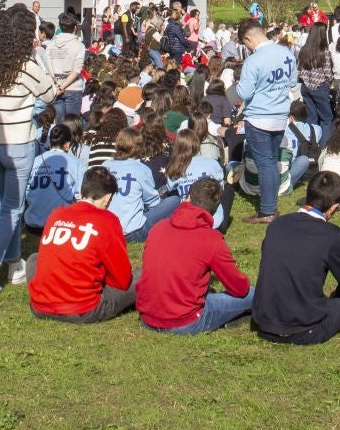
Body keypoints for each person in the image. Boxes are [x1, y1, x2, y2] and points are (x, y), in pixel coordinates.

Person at [250, 170, 340, 344]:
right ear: (334, 207)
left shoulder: (277, 224)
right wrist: (337, 295)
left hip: (264, 322)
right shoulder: (332, 235)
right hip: (304, 328)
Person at [0, 5, 53, 295]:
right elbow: (50, 93)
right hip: (19, 144)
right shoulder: (28, 66)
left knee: (11, 208)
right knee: (12, 209)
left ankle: (14, 264)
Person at [136, 177, 253, 334]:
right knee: (255, 293)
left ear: (188, 198)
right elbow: (239, 288)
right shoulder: (211, 239)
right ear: (215, 209)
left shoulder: (158, 228)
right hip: (184, 321)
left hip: (147, 317)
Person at [28, 166, 135, 324]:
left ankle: (48, 292)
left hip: (41, 305)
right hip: (82, 309)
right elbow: (123, 279)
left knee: (34, 259)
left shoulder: (56, 214)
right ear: (107, 198)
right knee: (140, 277)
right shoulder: (107, 220)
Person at [234, 17, 297, 224]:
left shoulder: (254, 60)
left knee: (266, 163)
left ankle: (268, 210)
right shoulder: (287, 53)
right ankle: (269, 206)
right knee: (270, 161)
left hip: (259, 117)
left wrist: (233, 87)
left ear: (248, 39)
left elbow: (243, 92)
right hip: (279, 116)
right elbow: (293, 81)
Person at [24, 121, 87, 230]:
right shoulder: (77, 164)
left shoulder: (35, 161)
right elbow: (81, 195)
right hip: (63, 224)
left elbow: (26, 192)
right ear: (67, 144)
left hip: (33, 222)